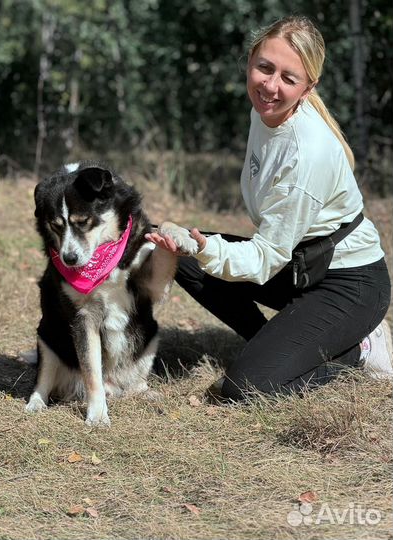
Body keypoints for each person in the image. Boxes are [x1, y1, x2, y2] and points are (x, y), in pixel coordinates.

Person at [146, 15, 392, 401]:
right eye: (265, 67)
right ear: (250, 62)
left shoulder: (307, 153)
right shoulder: (266, 112)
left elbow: (265, 258)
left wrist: (210, 248)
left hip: (348, 283)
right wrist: (199, 250)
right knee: (187, 258)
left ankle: (359, 349)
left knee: (247, 386)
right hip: (299, 265)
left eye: (288, 78)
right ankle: (274, 345)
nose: (270, 85)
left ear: (308, 87)